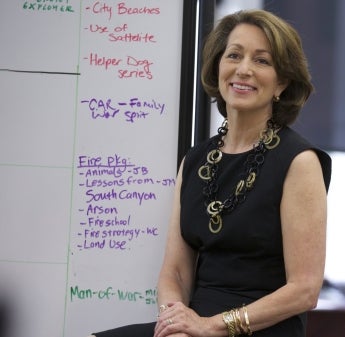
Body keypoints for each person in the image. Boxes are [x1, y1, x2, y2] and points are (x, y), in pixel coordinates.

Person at [89, 9, 331, 337]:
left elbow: (305, 290)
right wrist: (174, 322)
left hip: (260, 327)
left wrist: (212, 326)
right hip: (194, 325)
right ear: (218, 67)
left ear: (282, 83)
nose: (243, 69)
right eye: (234, 55)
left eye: (261, 61)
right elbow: (174, 272)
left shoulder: (299, 161)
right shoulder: (194, 161)